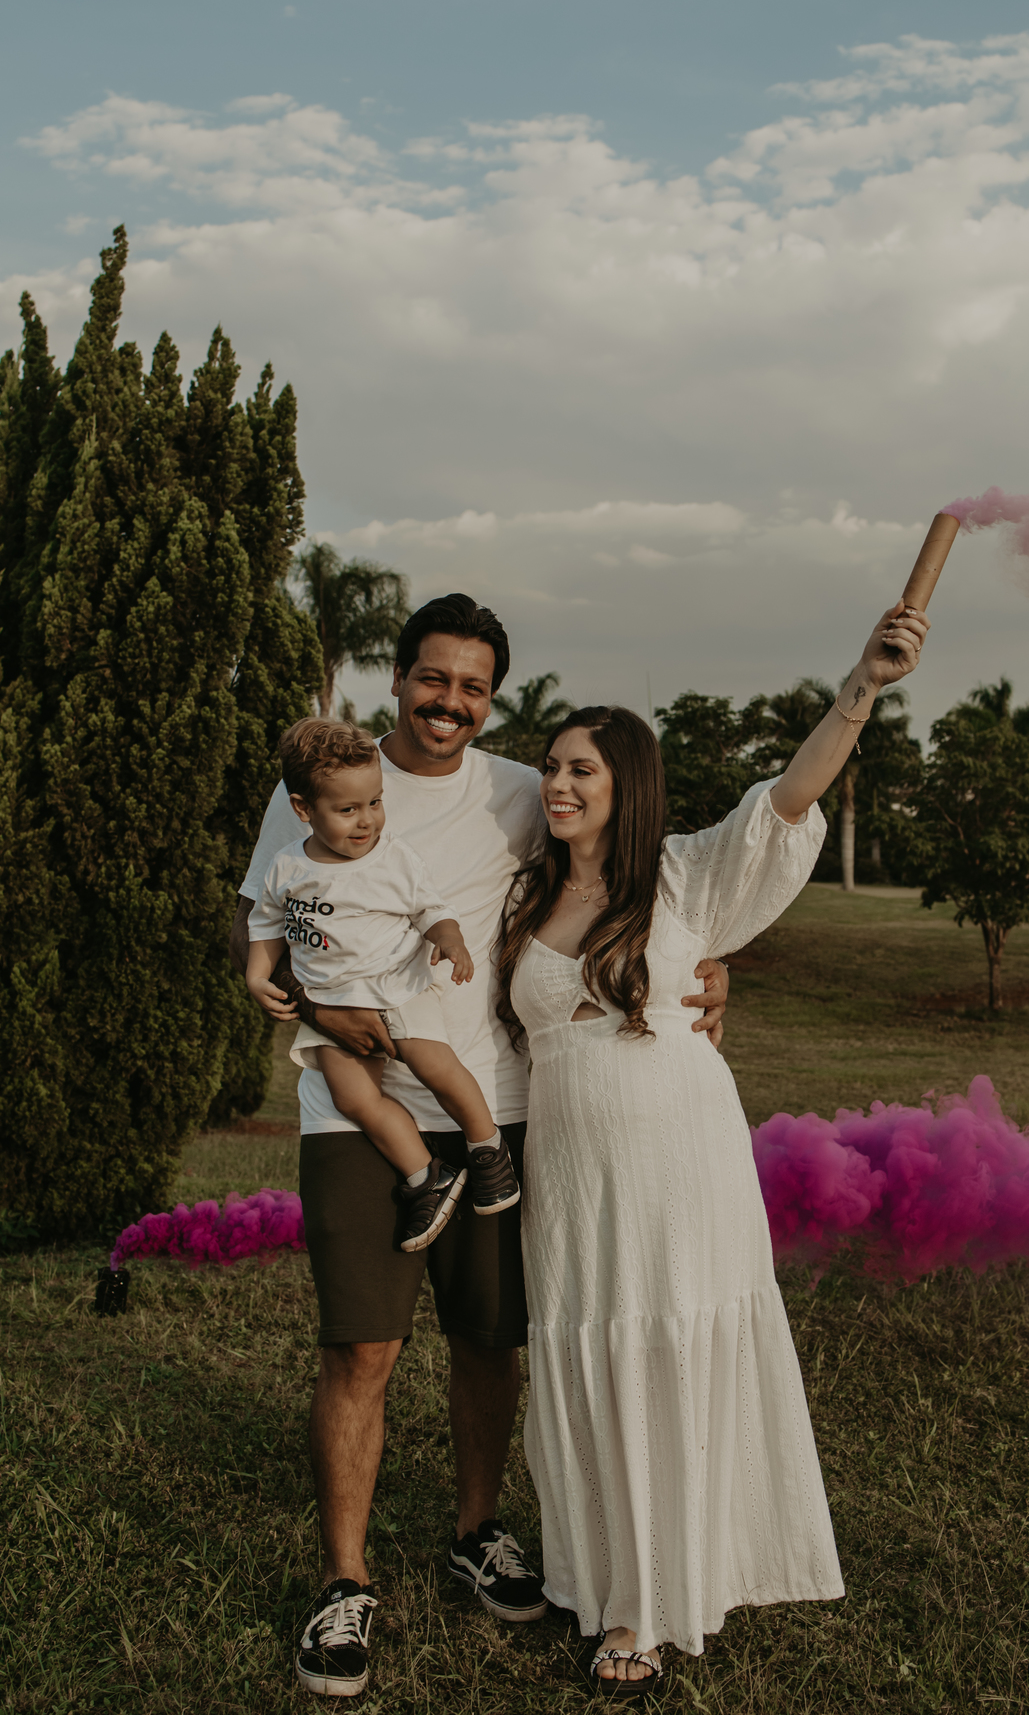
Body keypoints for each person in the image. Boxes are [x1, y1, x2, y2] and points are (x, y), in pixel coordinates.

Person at [227, 594, 730, 1699]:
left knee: (490, 1341)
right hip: (356, 1106)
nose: (449, 701)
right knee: (361, 1349)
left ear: (489, 697)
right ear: (398, 677)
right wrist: (319, 1006)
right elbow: (273, 916)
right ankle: (345, 1582)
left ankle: (477, 1532)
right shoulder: (323, 784)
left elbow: (614, 880)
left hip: (496, 1107)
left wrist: (702, 963)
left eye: (472, 686)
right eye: (433, 678)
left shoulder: (518, 792)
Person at [494, 599, 928, 1698]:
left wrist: (861, 687)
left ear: (627, 785)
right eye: (552, 766)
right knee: (592, 1350)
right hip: (573, 1176)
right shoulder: (524, 895)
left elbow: (789, 798)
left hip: (679, 1161)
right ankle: (605, 1573)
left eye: (582, 770)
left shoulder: (683, 877)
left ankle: (649, 1605)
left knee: (670, 1347)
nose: (558, 784)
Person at [245, 715, 522, 1253]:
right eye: (347, 810)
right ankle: (427, 1176)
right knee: (352, 1098)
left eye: (374, 802)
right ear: (303, 809)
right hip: (330, 1005)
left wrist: (450, 940)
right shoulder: (286, 867)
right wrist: (258, 976)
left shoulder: (392, 858)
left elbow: (431, 909)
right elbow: (267, 924)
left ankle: (487, 1148)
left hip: (398, 991)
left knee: (436, 1066)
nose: (367, 820)